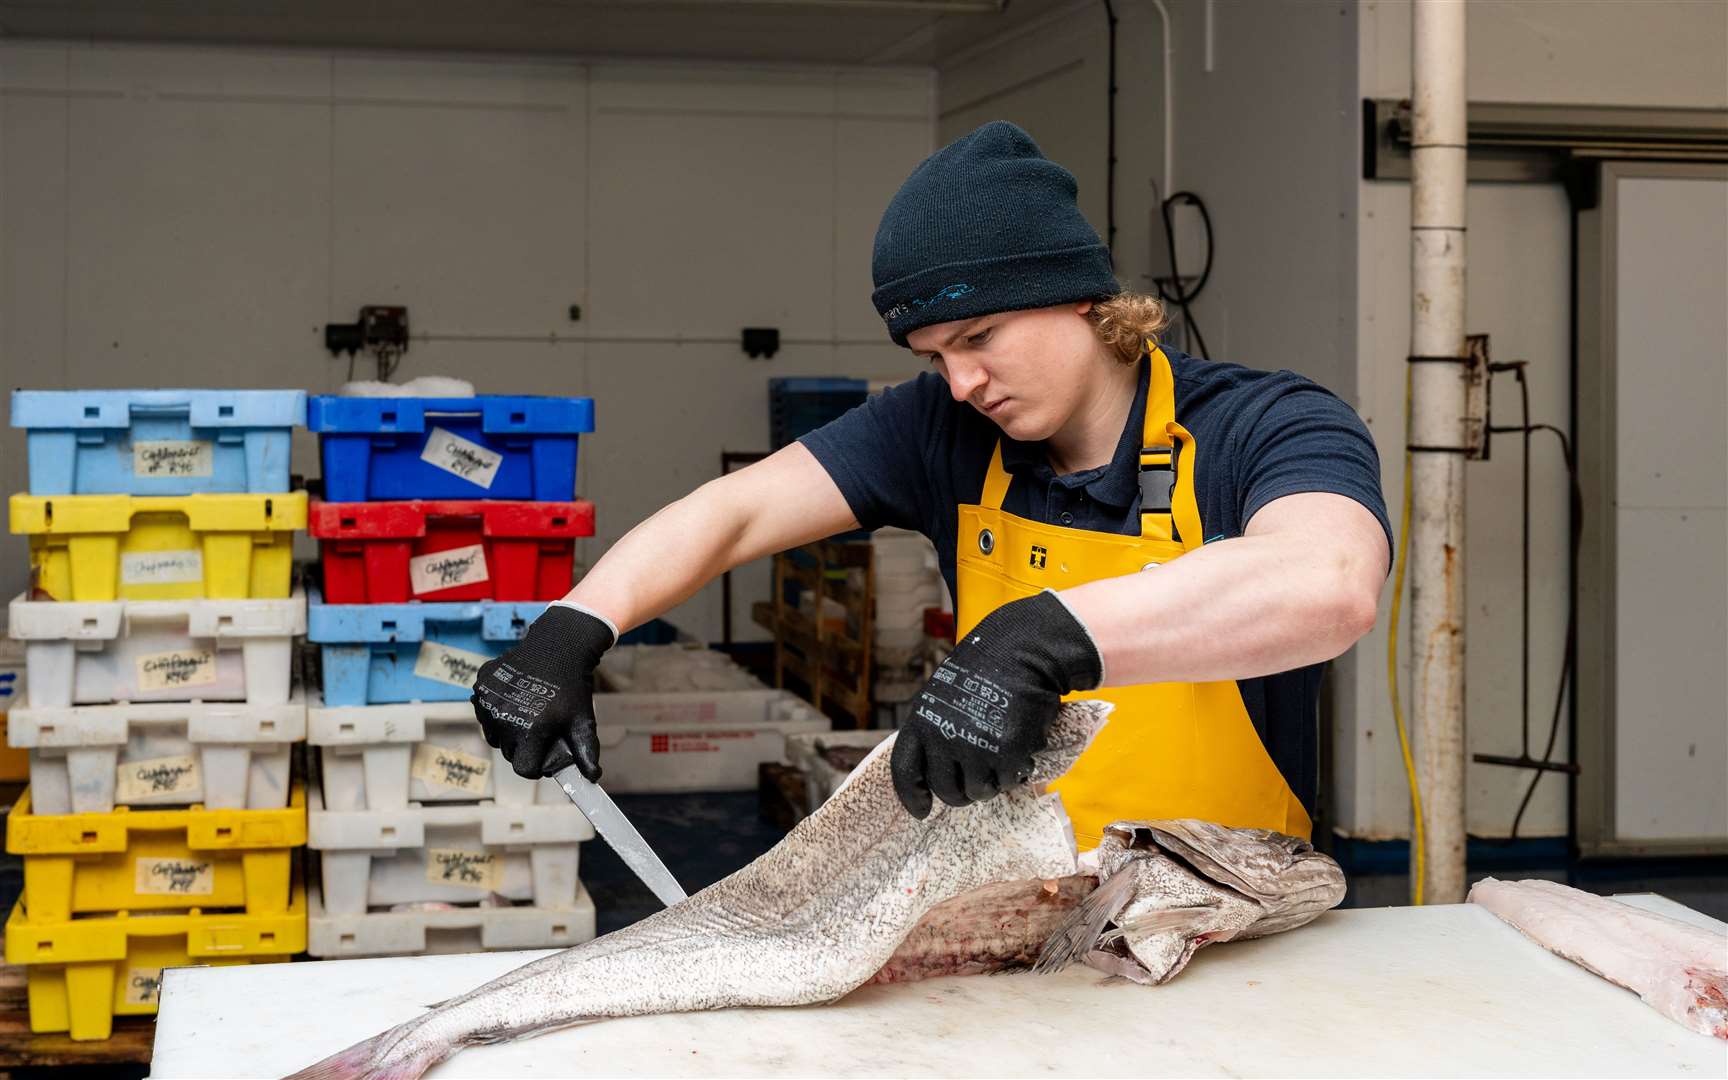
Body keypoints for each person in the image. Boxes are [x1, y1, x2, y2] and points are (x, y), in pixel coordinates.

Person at [472, 120, 1391, 847]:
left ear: (1079, 293)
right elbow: (735, 511)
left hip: (1228, 928)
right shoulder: (940, 429)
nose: (961, 383)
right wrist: (573, 627)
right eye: (933, 355)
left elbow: (1329, 582)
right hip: (1010, 921)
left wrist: (1045, 638)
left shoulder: (1264, 424)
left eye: (979, 338)